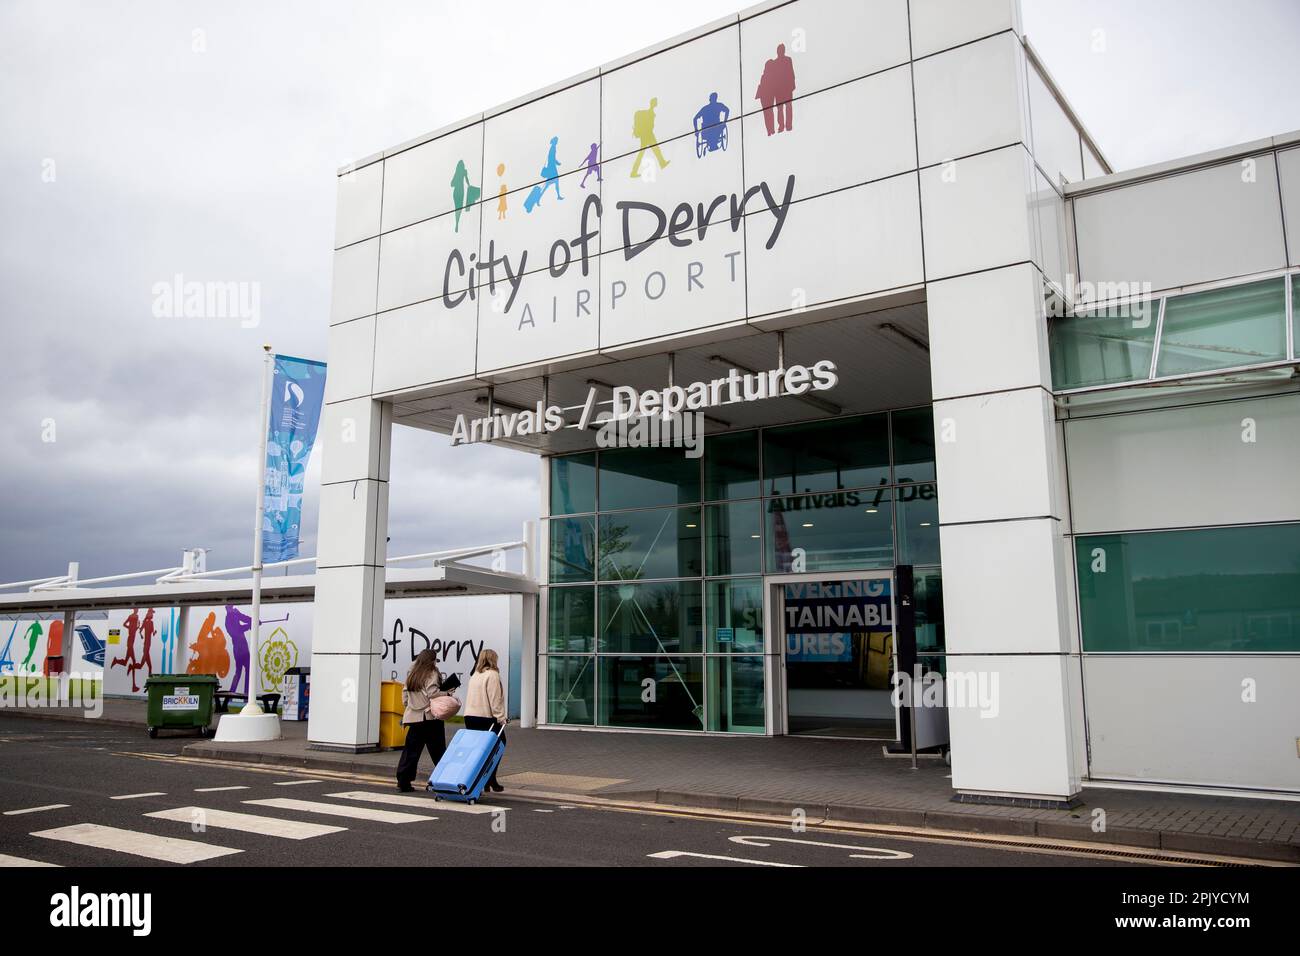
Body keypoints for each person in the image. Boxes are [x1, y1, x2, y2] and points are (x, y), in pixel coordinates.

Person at [397, 650, 450, 793]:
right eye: (435, 660)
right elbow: (432, 693)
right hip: (430, 718)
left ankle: (403, 781)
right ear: (431, 660)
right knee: (438, 751)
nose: (436, 662)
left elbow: (405, 694)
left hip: (414, 718)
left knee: (411, 751)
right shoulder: (432, 672)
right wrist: (447, 692)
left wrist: (408, 706)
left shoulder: (412, 672)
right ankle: (446, 780)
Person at [463, 649, 507, 793]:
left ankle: (481, 780)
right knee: (498, 745)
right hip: (485, 717)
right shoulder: (493, 675)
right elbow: (495, 699)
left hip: (470, 716)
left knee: (478, 750)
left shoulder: (475, 675)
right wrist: (501, 717)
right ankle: (490, 779)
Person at [755, 43, 797, 136]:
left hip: (784, 88)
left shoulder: (786, 60)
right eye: (779, 50)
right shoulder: (776, 62)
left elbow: (791, 73)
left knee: (786, 107)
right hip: (779, 89)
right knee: (781, 108)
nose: (780, 52)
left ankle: (787, 126)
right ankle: (782, 126)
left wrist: (792, 85)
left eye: (781, 50)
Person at [631, 98, 670, 178]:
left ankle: (662, 163)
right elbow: (651, 126)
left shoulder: (650, 112)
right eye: (656, 102)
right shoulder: (650, 113)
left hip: (647, 134)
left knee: (654, 150)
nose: (657, 103)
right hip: (648, 134)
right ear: (653, 103)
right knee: (644, 152)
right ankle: (633, 172)